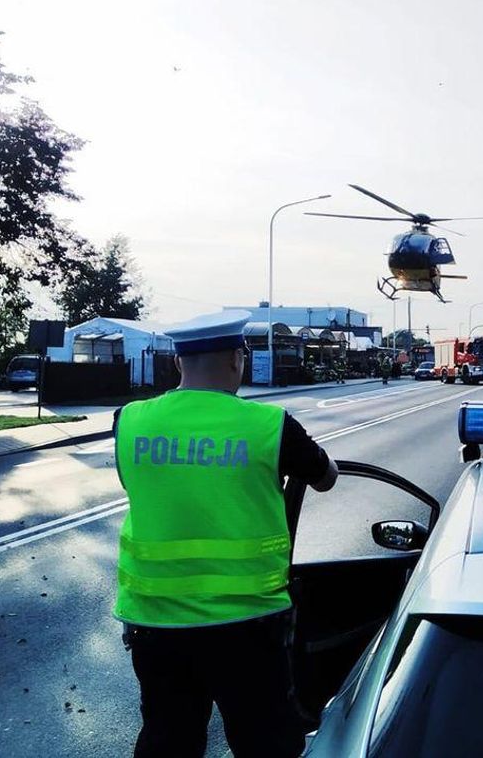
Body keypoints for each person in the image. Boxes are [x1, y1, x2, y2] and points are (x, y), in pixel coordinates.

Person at [113, 310, 338, 757]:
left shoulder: (130, 420)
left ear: (179, 363)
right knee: (265, 743)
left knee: (167, 739)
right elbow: (326, 476)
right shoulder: (270, 426)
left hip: (155, 623)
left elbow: (133, 483)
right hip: (246, 625)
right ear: (238, 359)